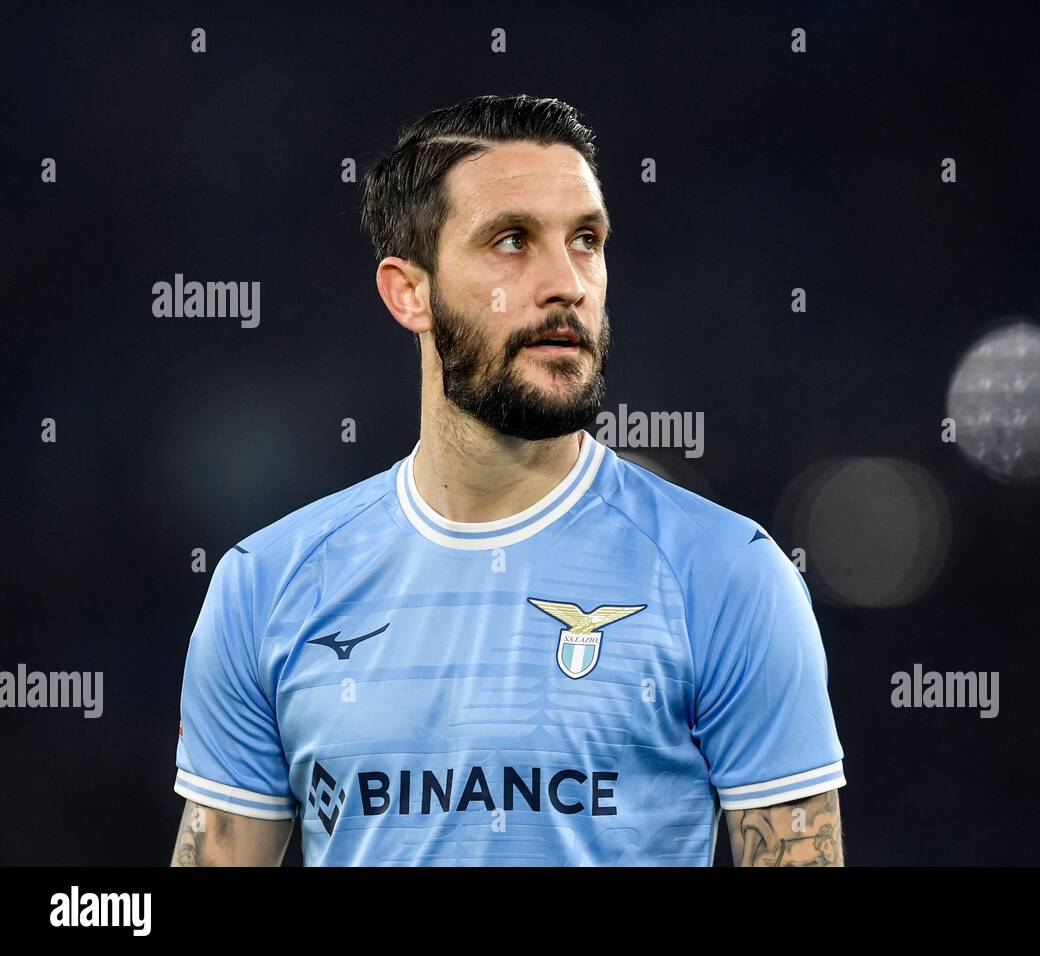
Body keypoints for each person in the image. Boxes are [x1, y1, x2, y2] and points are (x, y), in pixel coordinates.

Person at [169, 93, 845, 866]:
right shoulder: (266, 585)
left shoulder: (725, 575)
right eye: (513, 241)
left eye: (586, 240)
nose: (567, 283)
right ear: (409, 291)